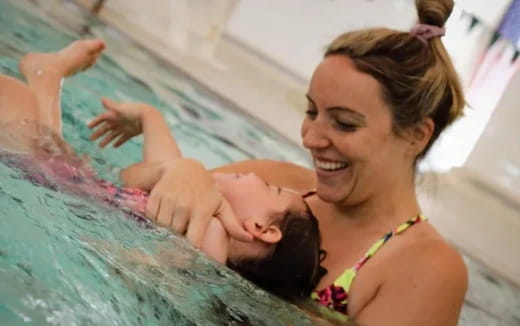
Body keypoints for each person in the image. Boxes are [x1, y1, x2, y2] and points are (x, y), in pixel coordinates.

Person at [125, 0, 469, 325]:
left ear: (416, 135)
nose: (311, 138)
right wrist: (179, 170)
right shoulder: (271, 180)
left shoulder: (427, 267)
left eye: (345, 123)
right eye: (311, 112)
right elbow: (119, 194)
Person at [0, 39, 324, 300]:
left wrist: (106, 253)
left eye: (272, 188)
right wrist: (149, 117)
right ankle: (47, 75)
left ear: (261, 229)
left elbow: (167, 266)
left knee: (23, 115)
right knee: (42, 137)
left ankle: (47, 76)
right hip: (74, 190)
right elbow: (165, 162)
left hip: (70, 206)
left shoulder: (211, 235)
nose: (256, 175)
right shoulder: (194, 200)